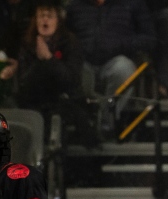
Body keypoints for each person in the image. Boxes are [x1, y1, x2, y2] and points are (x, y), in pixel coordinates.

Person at [64, 0, 156, 139]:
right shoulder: (74, 7)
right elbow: (64, 38)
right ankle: (85, 123)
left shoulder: (132, 3)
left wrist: (121, 43)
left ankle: (107, 123)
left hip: (116, 60)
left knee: (124, 68)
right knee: (73, 70)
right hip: (84, 63)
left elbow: (149, 39)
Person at [15, 0, 94, 147]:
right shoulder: (27, 44)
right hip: (35, 103)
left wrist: (49, 60)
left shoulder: (70, 42)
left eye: (49, 16)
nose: (45, 19)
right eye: (41, 16)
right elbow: (23, 84)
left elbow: (72, 81)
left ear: (58, 20)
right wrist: (41, 64)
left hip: (64, 102)